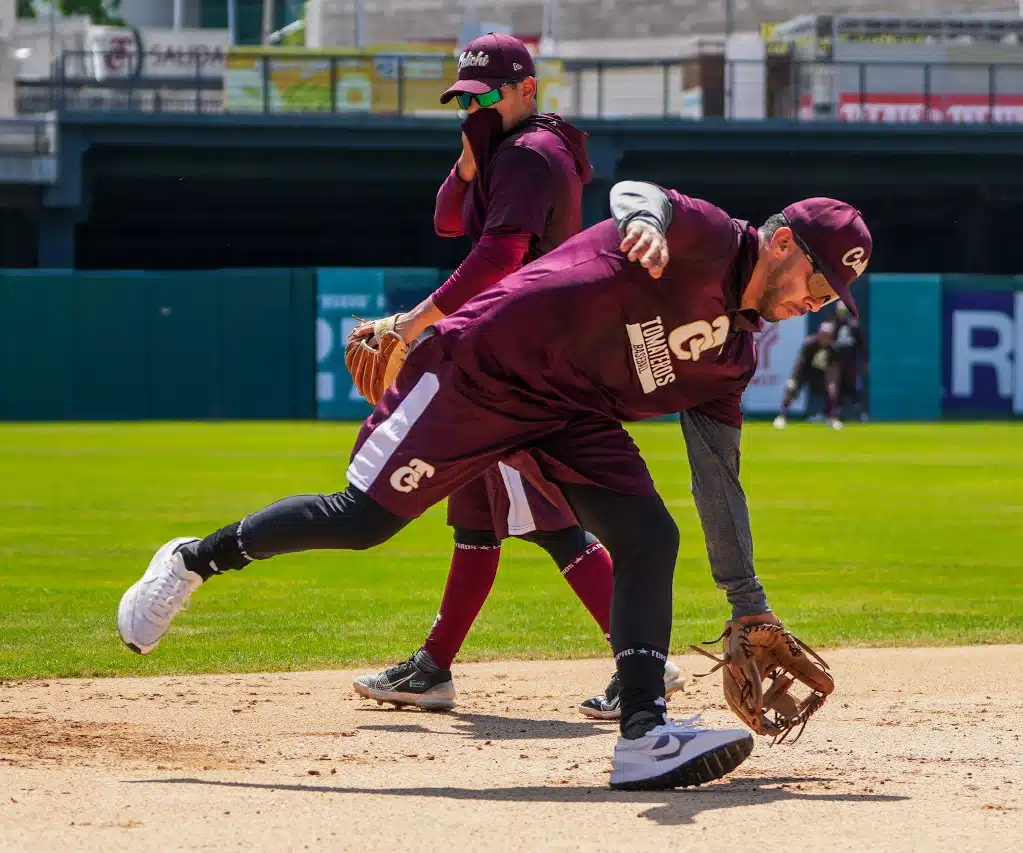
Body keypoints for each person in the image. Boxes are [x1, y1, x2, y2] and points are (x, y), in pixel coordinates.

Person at [117, 180, 873, 791]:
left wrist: (749, 602)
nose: (819, 301)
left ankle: (644, 731)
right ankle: (192, 558)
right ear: (782, 243)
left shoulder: (733, 360)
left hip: (571, 412)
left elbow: (719, 483)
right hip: (482, 370)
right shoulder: (708, 235)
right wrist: (645, 222)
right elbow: (643, 196)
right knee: (362, 520)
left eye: (832, 295)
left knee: (651, 535)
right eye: (819, 278)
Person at [347, 32, 685, 716]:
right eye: (464, 97)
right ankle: (436, 665)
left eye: (487, 94)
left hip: (522, 359)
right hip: (512, 350)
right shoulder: (507, 151)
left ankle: (643, 662)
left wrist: (411, 325)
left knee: (553, 524)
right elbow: (449, 219)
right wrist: (469, 162)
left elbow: (499, 257)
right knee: (477, 516)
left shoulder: (531, 153)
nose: (474, 105)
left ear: (527, 90)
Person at [773, 321, 846, 430]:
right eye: (823, 334)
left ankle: (832, 418)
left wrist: (832, 383)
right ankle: (781, 417)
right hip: (806, 371)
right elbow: (800, 363)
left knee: (831, 392)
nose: (825, 338)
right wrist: (793, 379)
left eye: (828, 335)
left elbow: (834, 368)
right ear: (819, 334)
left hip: (821, 373)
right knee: (792, 389)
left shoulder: (834, 349)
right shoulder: (809, 344)